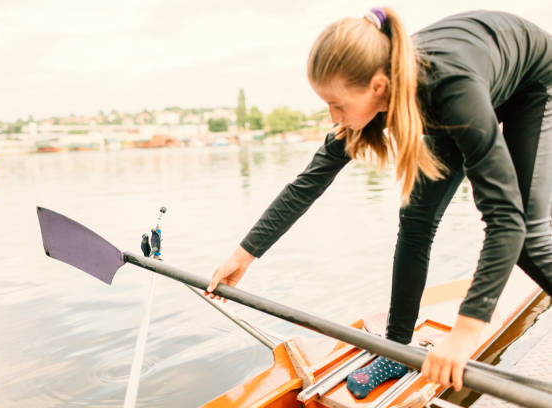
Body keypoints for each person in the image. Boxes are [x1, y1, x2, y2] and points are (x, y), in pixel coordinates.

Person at [204, 7, 552, 398]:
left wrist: (464, 333)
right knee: (416, 219)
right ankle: (397, 349)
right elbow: (309, 182)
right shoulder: (384, 95)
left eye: (338, 104)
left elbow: (505, 218)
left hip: (531, 81)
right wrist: (244, 254)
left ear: (378, 86)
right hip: (470, 83)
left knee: (527, 242)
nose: (334, 116)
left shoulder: (450, 90)